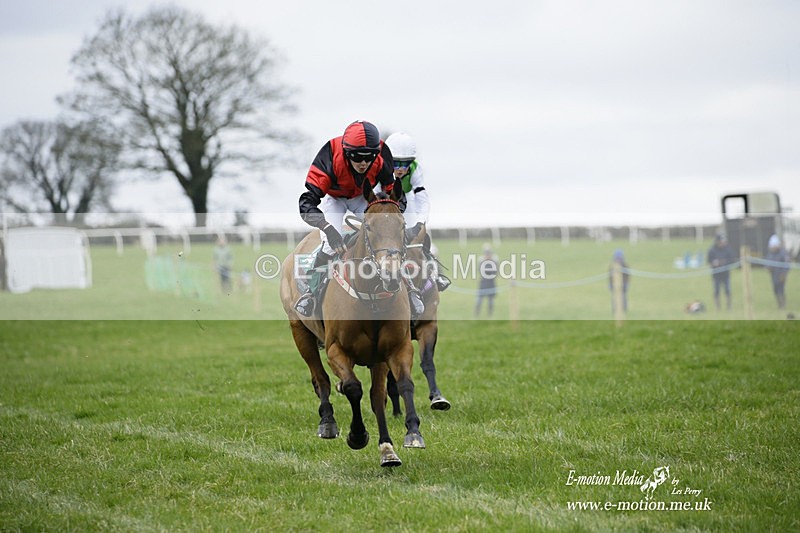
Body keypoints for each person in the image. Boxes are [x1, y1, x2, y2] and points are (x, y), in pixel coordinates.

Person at [294, 120, 421, 318]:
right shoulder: (327, 158)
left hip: (363, 198)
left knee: (387, 233)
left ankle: (410, 287)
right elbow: (305, 205)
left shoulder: (382, 155)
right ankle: (311, 293)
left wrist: (392, 217)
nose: (363, 164)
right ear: (346, 153)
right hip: (334, 199)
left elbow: (393, 194)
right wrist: (327, 228)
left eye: (368, 159)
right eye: (357, 158)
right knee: (329, 246)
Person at [385, 131, 450, 292]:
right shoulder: (379, 168)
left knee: (422, 236)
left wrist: (420, 223)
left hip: (407, 200)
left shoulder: (415, 169)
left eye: (405, 164)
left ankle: (434, 275)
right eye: (396, 163)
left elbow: (422, 200)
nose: (400, 169)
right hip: (384, 202)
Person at [707, 233, 734, 310]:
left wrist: (724, 262)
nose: (723, 243)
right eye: (721, 241)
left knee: (728, 290)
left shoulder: (728, 249)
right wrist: (714, 263)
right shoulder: (712, 250)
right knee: (716, 291)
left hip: (726, 274)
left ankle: (729, 306)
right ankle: (717, 307)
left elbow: (732, 259)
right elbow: (709, 260)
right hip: (716, 274)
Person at [765, 234, 790, 309]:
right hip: (773, 275)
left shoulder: (783, 253)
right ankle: (779, 304)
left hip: (781, 275)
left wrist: (784, 274)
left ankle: (783, 304)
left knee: (781, 289)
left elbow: (787, 264)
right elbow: (767, 263)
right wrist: (768, 268)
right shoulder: (770, 254)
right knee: (775, 289)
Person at [474, 244, 498, 317]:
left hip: (491, 284)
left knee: (491, 301)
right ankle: (476, 314)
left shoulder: (494, 261)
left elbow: (495, 273)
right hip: (483, 284)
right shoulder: (482, 261)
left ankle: (489, 315)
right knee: (479, 300)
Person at [608, 249, 630, 313]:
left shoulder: (625, 266)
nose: (618, 260)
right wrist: (610, 284)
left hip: (623, 285)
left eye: (619, 258)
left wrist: (626, 284)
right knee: (615, 297)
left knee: (623, 297)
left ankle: (624, 309)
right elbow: (609, 277)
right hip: (614, 285)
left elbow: (627, 276)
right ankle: (614, 309)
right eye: (617, 258)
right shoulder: (612, 267)